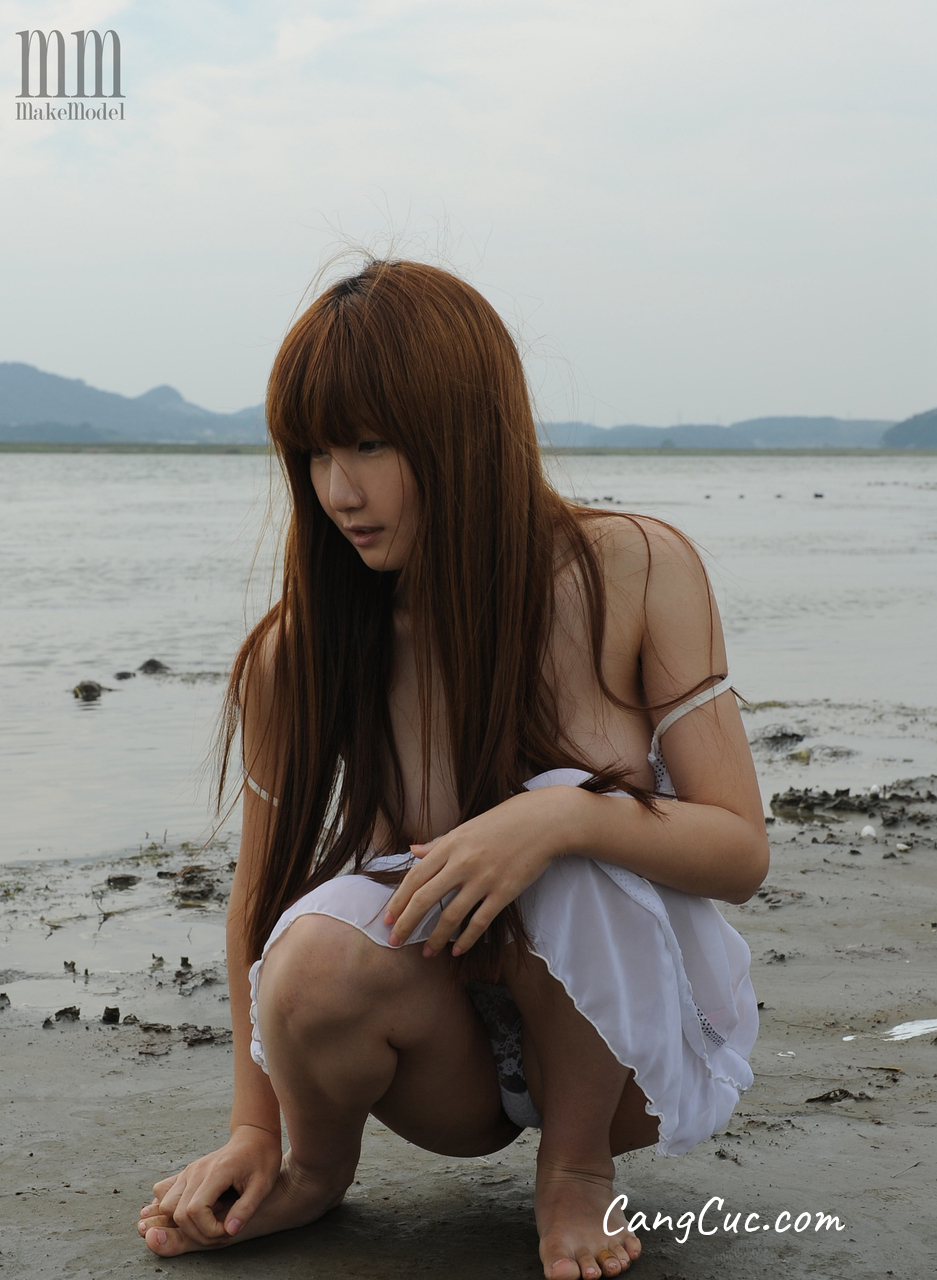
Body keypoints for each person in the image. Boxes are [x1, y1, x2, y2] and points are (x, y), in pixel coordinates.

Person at [137, 260, 768, 1280]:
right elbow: (258, 896)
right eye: (316, 452)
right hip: (450, 1058)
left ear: (466, 426)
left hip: (626, 1050)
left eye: (370, 443)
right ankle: (316, 1172)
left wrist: (561, 821)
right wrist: (258, 1128)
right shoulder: (302, 649)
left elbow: (739, 852)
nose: (339, 491)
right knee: (308, 958)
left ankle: (575, 1166)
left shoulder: (632, 568)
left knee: (559, 811)